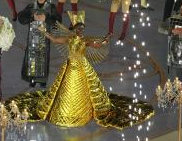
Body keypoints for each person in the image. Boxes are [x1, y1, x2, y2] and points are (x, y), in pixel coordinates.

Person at [11, 12, 153, 129]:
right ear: (74, 29)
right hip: (70, 67)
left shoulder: (85, 41)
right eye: (78, 29)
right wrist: (44, 32)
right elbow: (54, 39)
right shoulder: (69, 39)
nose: (80, 31)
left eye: (82, 29)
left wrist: (106, 39)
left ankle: (83, 113)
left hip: (81, 68)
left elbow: (98, 45)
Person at [17, 0, 61, 87]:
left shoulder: (51, 7)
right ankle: (32, 79)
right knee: (32, 58)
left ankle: (42, 80)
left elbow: (58, 22)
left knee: (43, 58)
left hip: (45, 38)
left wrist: (46, 19)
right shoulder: (31, 6)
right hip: (32, 38)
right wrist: (32, 17)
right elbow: (21, 18)